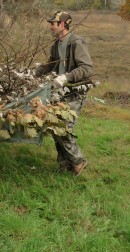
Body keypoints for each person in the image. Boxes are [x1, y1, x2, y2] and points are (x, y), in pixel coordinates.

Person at [34, 11, 95, 176]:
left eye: (53, 24)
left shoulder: (76, 43)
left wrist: (66, 77)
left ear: (62, 24)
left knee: (64, 128)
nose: (50, 27)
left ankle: (78, 161)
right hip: (60, 92)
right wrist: (32, 72)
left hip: (75, 92)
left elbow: (87, 68)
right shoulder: (56, 44)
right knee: (55, 126)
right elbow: (51, 65)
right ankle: (64, 165)